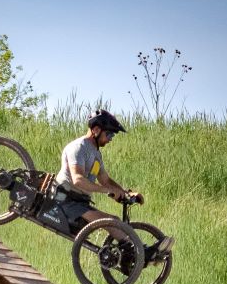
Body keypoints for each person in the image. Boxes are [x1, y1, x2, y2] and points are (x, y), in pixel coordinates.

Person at [53, 109, 173, 262]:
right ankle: (142, 253)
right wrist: (107, 191)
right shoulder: (78, 147)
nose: (111, 139)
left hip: (79, 201)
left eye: (113, 136)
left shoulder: (96, 153)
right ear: (96, 130)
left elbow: (105, 180)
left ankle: (140, 253)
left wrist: (126, 193)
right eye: (109, 134)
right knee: (111, 221)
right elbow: (78, 180)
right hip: (65, 200)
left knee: (115, 220)